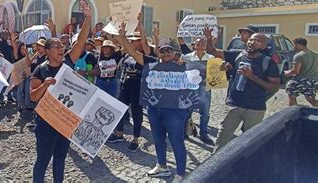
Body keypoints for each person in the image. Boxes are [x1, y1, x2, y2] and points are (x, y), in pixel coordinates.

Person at [113, 22, 187, 183]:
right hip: (154, 109)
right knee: (158, 138)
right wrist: (123, 37)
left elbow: (202, 71)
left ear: (174, 53)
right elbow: (133, 52)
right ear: (158, 52)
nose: (166, 53)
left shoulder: (181, 65)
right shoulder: (150, 63)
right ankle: (162, 165)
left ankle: (181, 173)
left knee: (176, 140)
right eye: (163, 50)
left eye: (169, 50)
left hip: (175, 110)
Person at [30, 0, 91, 183]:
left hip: (65, 120)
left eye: (62, 46)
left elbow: (80, 41)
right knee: (43, 159)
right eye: (56, 46)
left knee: (60, 160)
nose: (61, 49)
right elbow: (33, 97)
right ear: (47, 51)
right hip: (46, 122)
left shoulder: (68, 62)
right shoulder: (40, 69)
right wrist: (45, 85)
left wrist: (87, 18)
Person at [204, 28, 280, 151]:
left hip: (255, 108)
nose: (252, 42)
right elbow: (212, 51)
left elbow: (275, 87)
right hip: (234, 104)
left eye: (257, 41)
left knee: (251, 141)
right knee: (223, 137)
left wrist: (252, 77)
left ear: (264, 45)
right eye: (251, 40)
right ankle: (215, 164)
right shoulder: (237, 55)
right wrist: (208, 39)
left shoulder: (267, 62)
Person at [284, 37, 318, 107]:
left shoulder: (298, 56)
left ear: (299, 45)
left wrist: (286, 74)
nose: (293, 47)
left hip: (301, 80)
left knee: (291, 93)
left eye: (294, 45)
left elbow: (295, 71)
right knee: (311, 99)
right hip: (313, 80)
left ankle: (292, 112)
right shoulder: (316, 54)